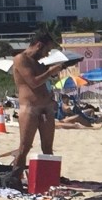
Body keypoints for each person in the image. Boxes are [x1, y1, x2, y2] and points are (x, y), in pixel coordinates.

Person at [11, 31, 64, 178]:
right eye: (47, 50)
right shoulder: (21, 59)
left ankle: (49, 178)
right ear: (39, 45)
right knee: (24, 147)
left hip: (46, 108)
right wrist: (50, 72)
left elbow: (43, 83)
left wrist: (53, 72)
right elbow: (33, 82)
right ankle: (15, 177)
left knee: (47, 148)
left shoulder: (39, 63)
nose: (47, 54)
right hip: (29, 108)